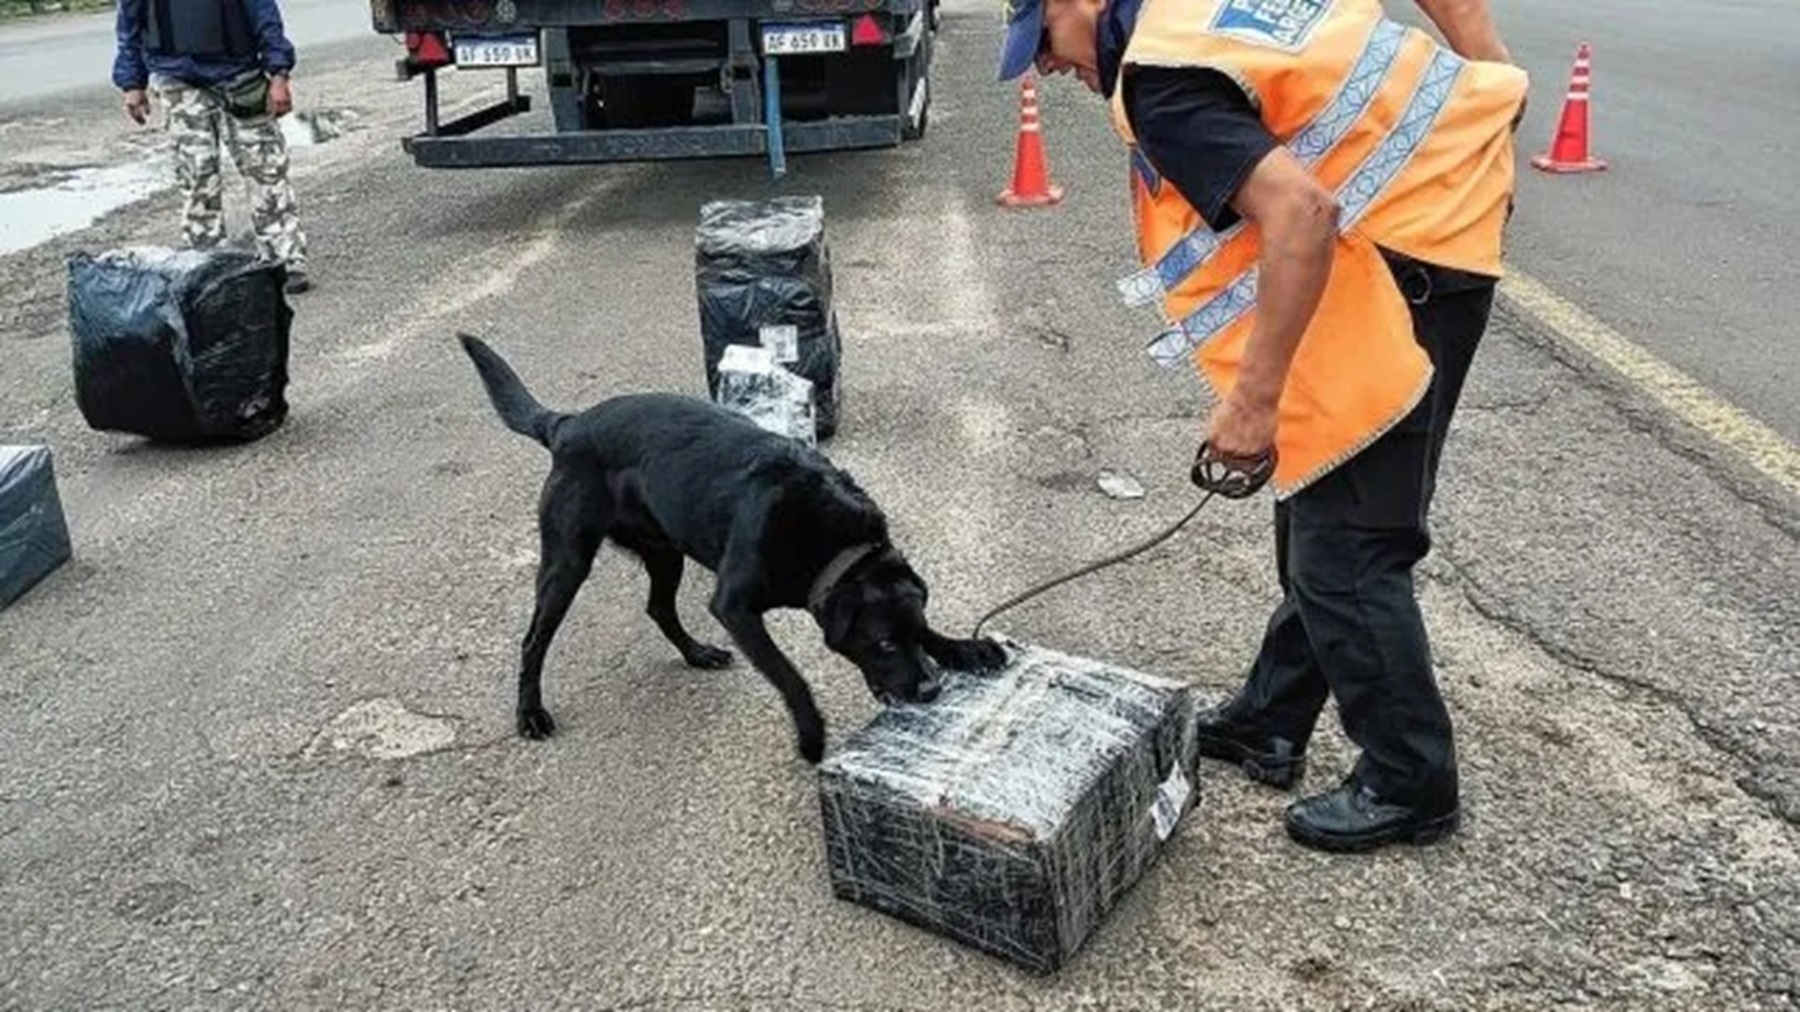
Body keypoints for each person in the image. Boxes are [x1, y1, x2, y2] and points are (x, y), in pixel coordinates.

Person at [998, 0, 1527, 852]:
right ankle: (1270, 720)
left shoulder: (1162, 80)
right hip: (1433, 208)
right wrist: (1491, 73)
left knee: (1349, 549)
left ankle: (1410, 780)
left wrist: (1254, 400)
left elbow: (1304, 215)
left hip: (1412, 253)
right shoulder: (1193, 12)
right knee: (1316, 492)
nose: (1047, 70)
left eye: (1043, 44)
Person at [113, 0, 312, 294]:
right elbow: (130, 24)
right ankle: (207, 263)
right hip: (178, 81)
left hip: (240, 76)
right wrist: (132, 84)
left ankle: (284, 259)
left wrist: (279, 74)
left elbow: (265, 15)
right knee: (197, 177)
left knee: (266, 172)